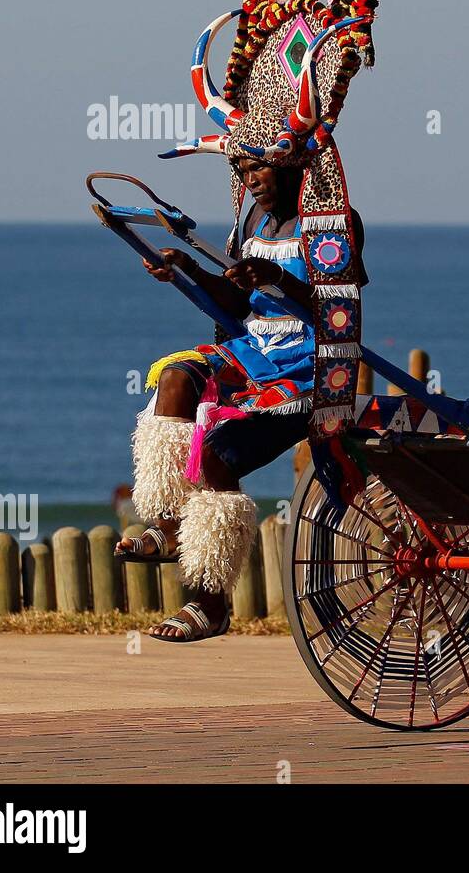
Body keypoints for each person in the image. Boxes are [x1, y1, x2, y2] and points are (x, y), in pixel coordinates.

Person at [117, 153, 366, 642]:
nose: (253, 181)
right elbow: (235, 301)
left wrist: (276, 278)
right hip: (253, 352)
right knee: (174, 378)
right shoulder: (253, 219)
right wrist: (187, 270)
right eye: (245, 172)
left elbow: (339, 308)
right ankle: (167, 525)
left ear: (293, 165)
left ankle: (209, 604)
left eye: (261, 169)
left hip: (310, 369)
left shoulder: (334, 218)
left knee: (213, 461)